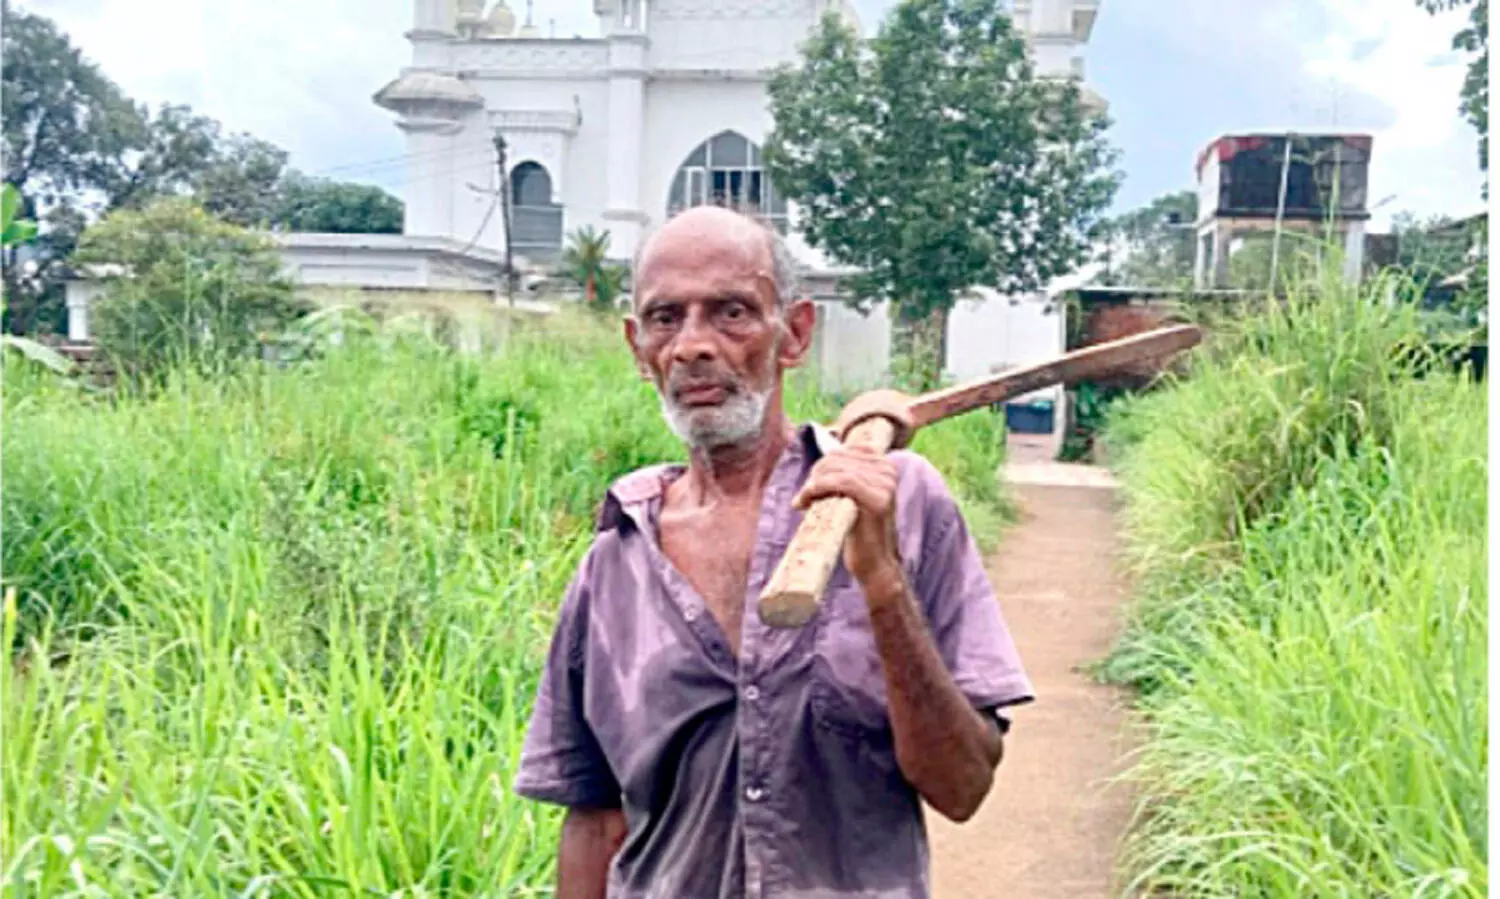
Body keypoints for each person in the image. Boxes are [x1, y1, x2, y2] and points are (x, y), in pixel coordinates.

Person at [513, 205, 1033, 899]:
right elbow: (595, 820)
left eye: (730, 312)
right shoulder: (614, 561)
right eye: (667, 318)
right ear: (639, 348)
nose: (694, 344)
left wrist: (881, 582)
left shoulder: (897, 502)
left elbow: (962, 787)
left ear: (795, 332)